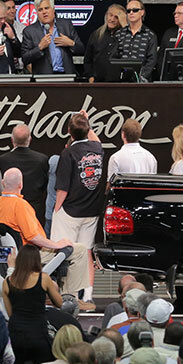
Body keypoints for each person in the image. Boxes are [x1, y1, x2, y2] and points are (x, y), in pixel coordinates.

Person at [53, 112, 106, 308]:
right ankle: (89, 295)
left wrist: (56, 209)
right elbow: (96, 139)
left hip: (70, 210)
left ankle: (70, 295)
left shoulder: (68, 153)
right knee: (87, 252)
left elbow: (62, 188)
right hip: (91, 210)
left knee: (65, 252)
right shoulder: (97, 149)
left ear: (68, 131)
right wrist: (87, 122)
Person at [2, 244, 62, 364]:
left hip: (16, 335)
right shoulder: (43, 278)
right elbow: (59, 303)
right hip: (38, 335)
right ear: (37, 260)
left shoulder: (8, 282)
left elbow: (10, 313)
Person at [0, 125, 51, 224]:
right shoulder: (42, 159)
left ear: (12, 140)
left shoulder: (2, 160)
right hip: (34, 210)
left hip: (9, 211)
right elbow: (46, 185)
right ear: (30, 139)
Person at [21, 0, 85, 76]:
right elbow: (25, 58)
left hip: (67, 75)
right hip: (43, 78)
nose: (44, 12)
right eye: (40, 10)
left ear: (53, 9)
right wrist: (40, 47)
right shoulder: (29, 31)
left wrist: (71, 43)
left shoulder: (66, 25)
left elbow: (81, 49)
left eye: (47, 8)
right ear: (37, 13)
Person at [84, 5, 127, 83]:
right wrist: (90, 76)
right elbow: (88, 59)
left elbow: (130, 54)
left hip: (120, 83)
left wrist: (125, 26)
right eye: (110, 15)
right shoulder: (96, 34)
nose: (112, 19)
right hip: (98, 82)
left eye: (116, 17)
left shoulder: (126, 36)